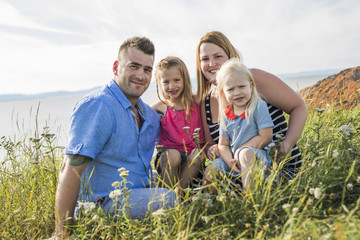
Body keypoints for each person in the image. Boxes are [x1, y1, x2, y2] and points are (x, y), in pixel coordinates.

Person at [53, 37, 177, 238]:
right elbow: (71, 168)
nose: (140, 75)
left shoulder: (146, 113)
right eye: (133, 66)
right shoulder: (99, 105)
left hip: (136, 191)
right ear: (115, 67)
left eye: (147, 69)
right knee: (168, 199)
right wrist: (61, 233)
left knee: (185, 187)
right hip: (101, 205)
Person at [196, 31, 307, 185]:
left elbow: (299, 106)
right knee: (209, 177)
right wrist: (214, 150)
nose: (211, 63)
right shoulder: (206, 102)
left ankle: (252, 202)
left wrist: (287, 143)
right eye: (205, 59)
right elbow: (210, 144)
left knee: (246, 158)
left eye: (218, 56)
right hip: (235, 169)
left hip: (275, 166)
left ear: (230, 56)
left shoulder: (251, 79)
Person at [215, 58, 274, 189]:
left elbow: (266, 136)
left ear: (251, 86)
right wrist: (229, 160)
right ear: (223, 93)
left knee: (245, 155)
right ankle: (206, 201)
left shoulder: (258, 106)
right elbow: (223, 144)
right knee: (214, 167)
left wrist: (241, 150)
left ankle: (250, 199)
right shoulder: (226, 114)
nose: (237, 93)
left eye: (242, 86)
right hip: (235, 159)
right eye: (230, 89)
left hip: (257, 156)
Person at [152, 56, 205, 191]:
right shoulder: (161, 107)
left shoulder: (197, 101)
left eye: (176, 80)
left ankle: (178, 194)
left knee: (198, 154)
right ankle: (164, 195)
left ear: (185, 79)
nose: (172, 86)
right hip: (167, 156)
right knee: (174, 155)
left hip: (191, 156)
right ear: (159, 83)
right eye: (166, 82)